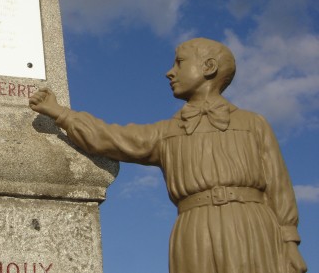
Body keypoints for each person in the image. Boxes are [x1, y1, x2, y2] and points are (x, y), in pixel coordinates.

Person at [29, 38, 307, 273]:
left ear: (208, 67)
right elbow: (112, 137)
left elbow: (278, 185)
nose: (169, 72)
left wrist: (289, 241)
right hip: (194, 228)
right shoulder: (167, 133)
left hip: (252, 225)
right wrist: (61, 114)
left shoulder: (254, 124)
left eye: (180, 63)